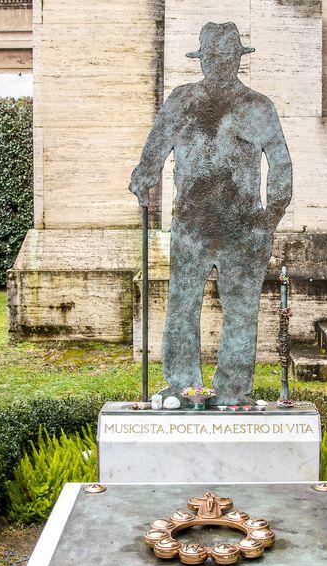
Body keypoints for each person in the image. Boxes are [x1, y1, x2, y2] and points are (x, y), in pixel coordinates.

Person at [129, 22, 293, 405]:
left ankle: (234, 389)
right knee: (182, 307)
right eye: (213, 58)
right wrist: (144, 177)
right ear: (202, 60)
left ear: (238, 59)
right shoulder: (181, 101)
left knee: (241, 311)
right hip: (191, 226)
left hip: (244, 228)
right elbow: (153, 153)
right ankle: (183, 385)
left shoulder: (258, 107)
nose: (220, 65)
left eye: (227, 57)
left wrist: (271, 216)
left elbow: (281, 165)